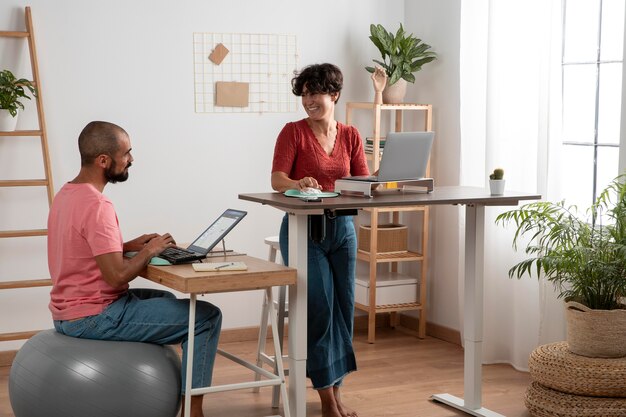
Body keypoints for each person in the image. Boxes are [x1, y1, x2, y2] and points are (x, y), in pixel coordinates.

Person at [47, 121, 221, 417]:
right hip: (94, 316)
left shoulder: (66, 194)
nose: (131, 159)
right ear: (104, 160)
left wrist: (127, 245)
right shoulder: (98, 205)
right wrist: (152, 250)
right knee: (205, 317)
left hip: (66, 311)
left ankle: (169, 382)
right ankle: (194, 412)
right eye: (126, 153)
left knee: (166, 302)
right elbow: (116, 276)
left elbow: (81, 246)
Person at [271, 63, 369, 417]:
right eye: (305, 94)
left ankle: (337, 394)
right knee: (320, 311)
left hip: (343, 230)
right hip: (304, 231)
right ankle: (327, 401)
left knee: (344, 310)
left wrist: (380, 184)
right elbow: (277, 179)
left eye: (315, 93)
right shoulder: (292, 133)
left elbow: (363, 182)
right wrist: (298, 183)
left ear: (334, 94)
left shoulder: (351, 135)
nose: (308, 100)